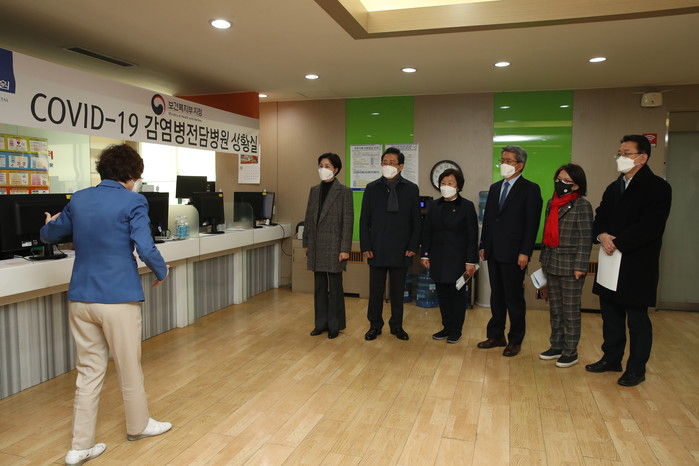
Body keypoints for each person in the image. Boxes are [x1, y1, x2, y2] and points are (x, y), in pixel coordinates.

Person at [40, 144, 172, 466]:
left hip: (81, 298)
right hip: (118, 299)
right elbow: (145, 246)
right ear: (131, 175)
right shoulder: (133, 201)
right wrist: (161, 271)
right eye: (137, 176)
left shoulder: (79, 199)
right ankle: (138, 426)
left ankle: (79, 447)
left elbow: (49, 235)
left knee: (88, 371)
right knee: (128, 366)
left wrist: (48, 223)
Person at [586, 134, 672, 387]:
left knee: (636, 319)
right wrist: (602, 235)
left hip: (636, 262)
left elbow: (651, 225)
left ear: (642, 158)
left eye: (626, 153)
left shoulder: (658, 187)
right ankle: (611, 358)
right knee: (610, 314)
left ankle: (636, 369)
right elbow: (601, 215)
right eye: (619, 153)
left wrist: (618, 242)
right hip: (609, 258)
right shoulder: (614, 187)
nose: (620, 157)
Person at [478, 145, 542, 356]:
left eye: (508, 161)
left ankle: (515, 339)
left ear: (520, 165)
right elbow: (489, 219)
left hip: (515, 253)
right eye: (502, 160)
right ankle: (496, 335)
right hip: (494, 251)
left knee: (513, 298)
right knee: (496, 296)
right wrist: (484, 245)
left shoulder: (530, 189)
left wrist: (525, 252)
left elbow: (531, 224)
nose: (504, 164)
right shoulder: (495, 187)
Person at [360, 147, 420, 341]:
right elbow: (364, 220)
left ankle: (397, 326)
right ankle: (374, 326)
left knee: (397, 291)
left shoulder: (411, 189)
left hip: (401, 249)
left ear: (401, 166)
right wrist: (365, 246)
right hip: (376, 247)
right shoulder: (372, 188)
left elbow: (416, 221)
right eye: (385, 162)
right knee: (375, 291)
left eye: (392, 163)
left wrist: (412, 246)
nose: (388, 166)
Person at [538, 164, 593, 368]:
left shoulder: (582, 206)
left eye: (566, 180)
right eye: (558, 179)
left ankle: (570, 352)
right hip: (551, 263)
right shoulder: (551, 203)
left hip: (571, 267)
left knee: (570, 312)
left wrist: (580, 266)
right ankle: (556, 346)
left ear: (576, 185)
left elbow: (585, 238)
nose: (560, 183)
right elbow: (546, 234)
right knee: (555, 310)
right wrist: (543, 261)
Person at [420, 168, 479, 344]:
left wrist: (471, 261)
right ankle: (446, 327)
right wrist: (425, 254)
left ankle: (456, 330)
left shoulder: (467, 206)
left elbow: (472, 236)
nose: (446, 186)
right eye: (443, 183)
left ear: (458, 186)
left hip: (459, 259)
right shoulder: (434, 205)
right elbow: (427, 232)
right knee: (443, 295)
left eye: (450, 183)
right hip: (438, 258)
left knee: (457, 296)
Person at [303, 152, 354, 339]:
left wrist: (345, 249)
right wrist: (307, 242)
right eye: (321, 166)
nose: (323, 169)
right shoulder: (314, 190)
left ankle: (335, 325)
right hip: (316, 245)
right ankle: (320, 324)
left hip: (334, 246)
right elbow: (308, 218)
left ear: (336, 169)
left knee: (335, 288)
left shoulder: (344, 192)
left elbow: (348, 222)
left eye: (327, 166)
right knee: (319, 287)